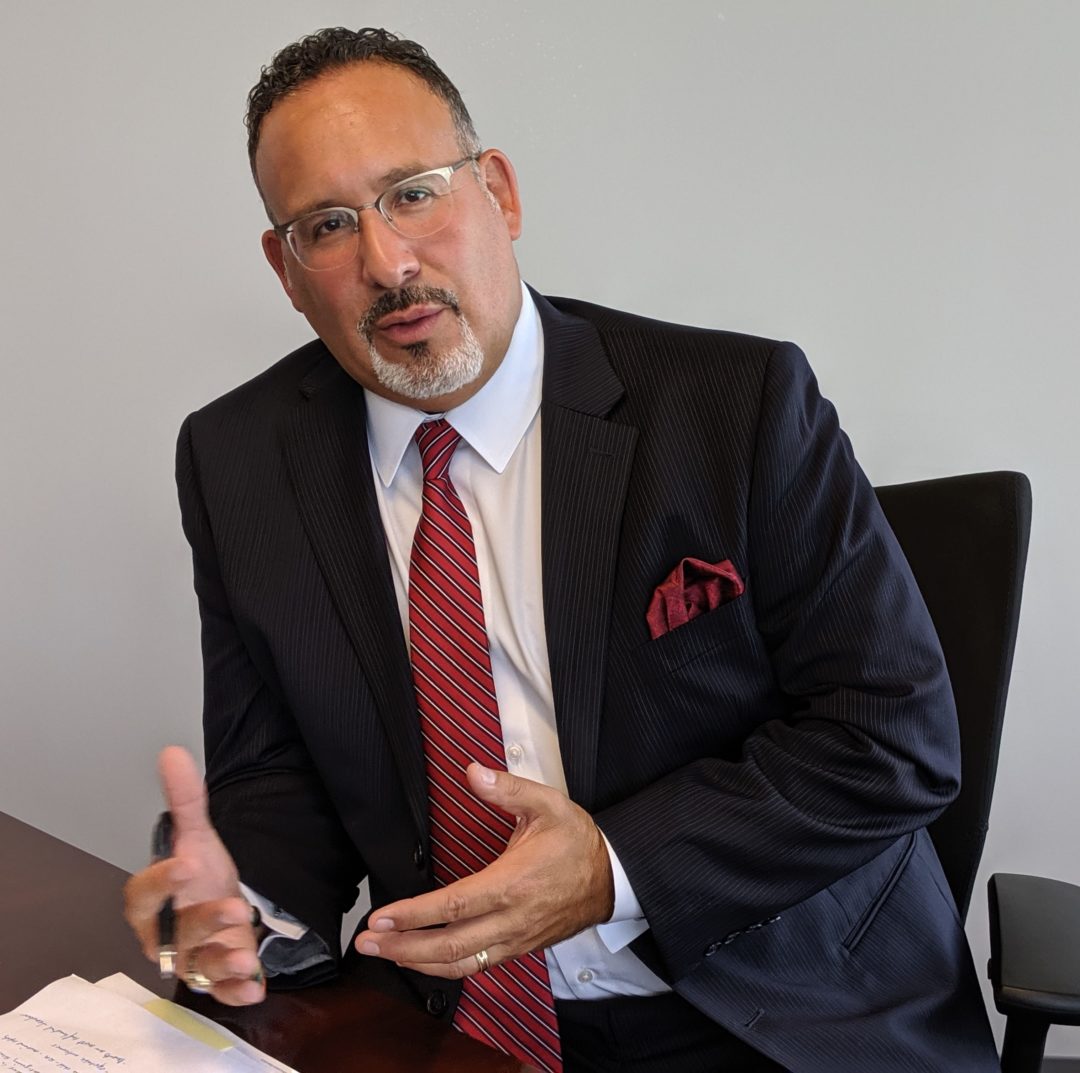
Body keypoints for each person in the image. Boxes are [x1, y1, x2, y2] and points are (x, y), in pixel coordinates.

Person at [124, 26, 1000, 1073]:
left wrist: (613, 867)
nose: (388, 262)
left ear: (499, 193)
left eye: (414, 193)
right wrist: (240, 901)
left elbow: (893, 733)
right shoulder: (237, 460)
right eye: (328, 225)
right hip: (446, 1018)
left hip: (773, 1009)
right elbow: (275, 774)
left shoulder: (737, 408)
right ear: (286, 269)